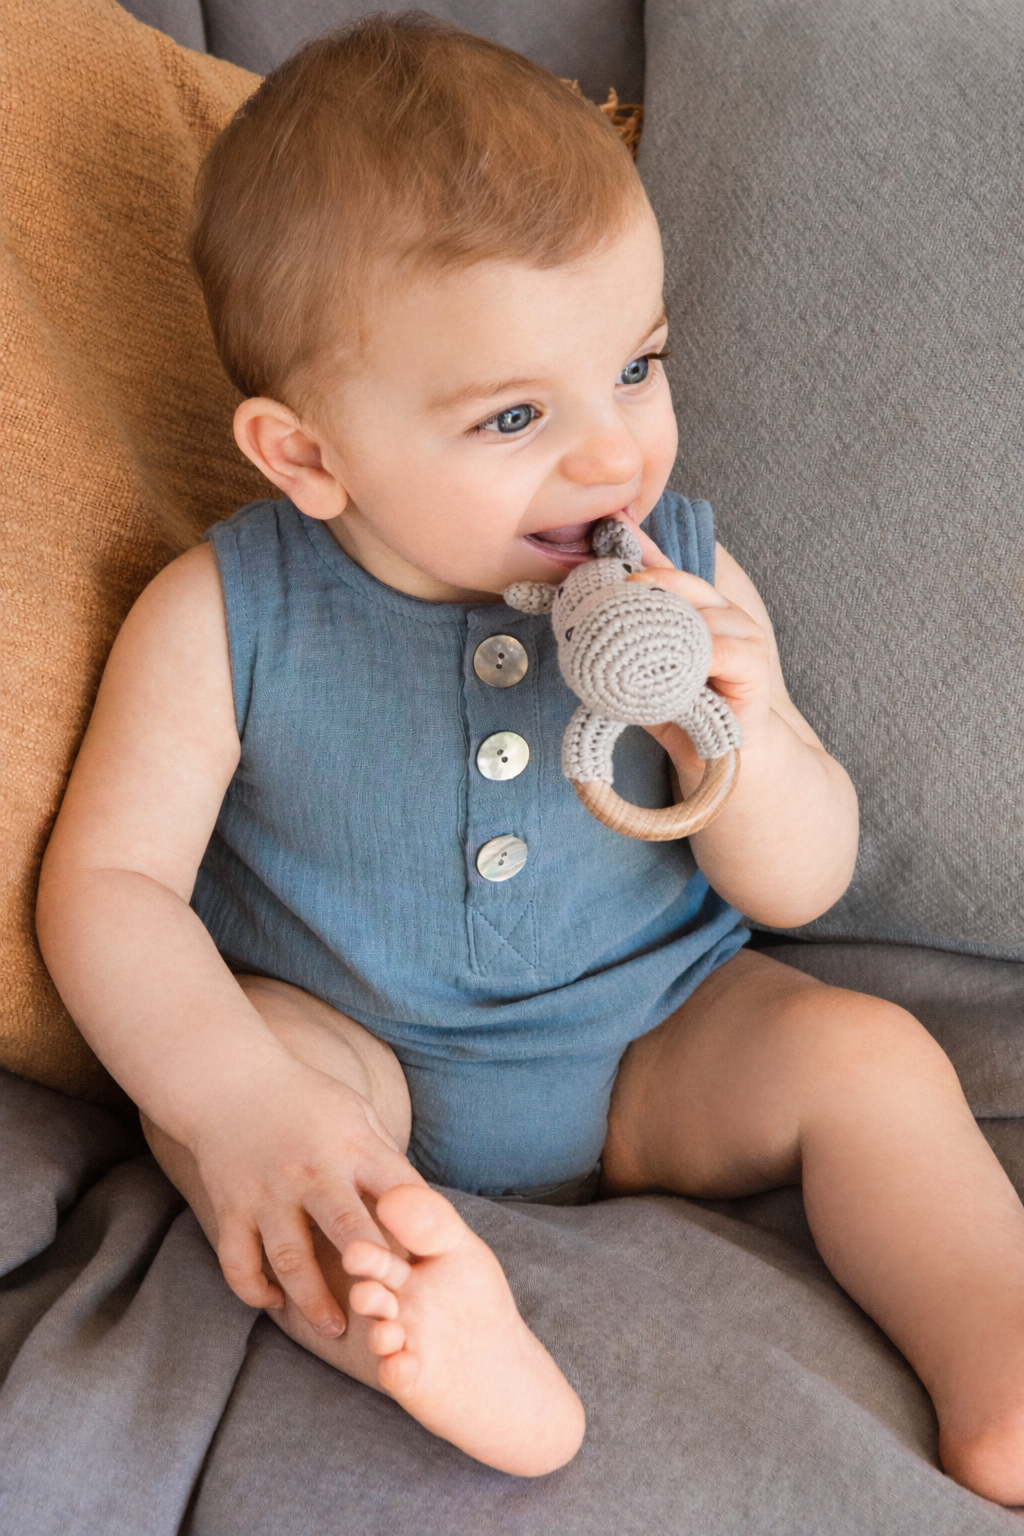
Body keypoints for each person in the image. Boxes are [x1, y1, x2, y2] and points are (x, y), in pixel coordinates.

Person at [35, 13, 1024, 1498]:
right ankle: (426, 1332)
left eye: (637, 365)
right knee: (254, 1142)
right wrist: (242, 1099)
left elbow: (807, 882)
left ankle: (995, 1342)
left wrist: (744, 741)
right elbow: (109, 886)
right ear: (307, 456)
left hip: (651, 1037)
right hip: (356, 1048)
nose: (614, 455)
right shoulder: (225, 613)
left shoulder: (686, 577)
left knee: (868, 1059)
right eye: (514, 414)